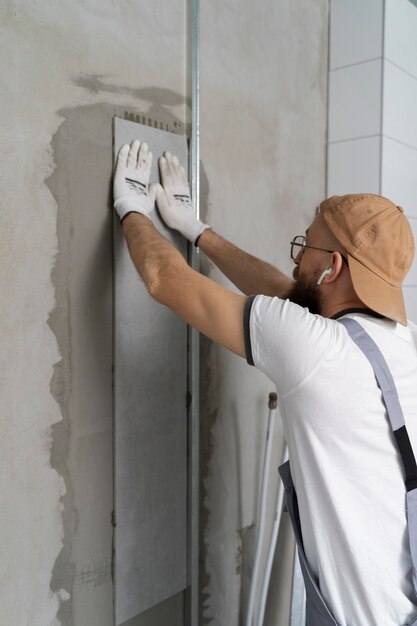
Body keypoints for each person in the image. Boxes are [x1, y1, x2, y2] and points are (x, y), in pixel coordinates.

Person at [113, 139, 417, 626]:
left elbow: (162, 278)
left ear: (333, 268)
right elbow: (285, 291)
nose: (297, 260)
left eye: (306, 247)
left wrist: (132, 207)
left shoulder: (318, 350)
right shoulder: (401, 343)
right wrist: (196, 230)